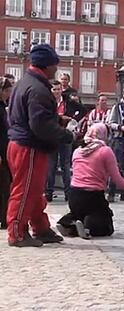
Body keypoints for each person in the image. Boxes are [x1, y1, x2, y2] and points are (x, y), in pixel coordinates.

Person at [7, 44, 74, 247]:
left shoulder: (24, 83)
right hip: (30, 147)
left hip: (19, 143)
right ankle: (16, 233)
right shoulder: (38, 89)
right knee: (25, 190)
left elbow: (28, 116)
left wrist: (56, 119)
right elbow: (40, 126)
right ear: (47, 65)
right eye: (54, 63)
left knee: (34, 190)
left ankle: (41, 228)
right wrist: (65, 135)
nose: (56, 67)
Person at [56, 123, 124, 239]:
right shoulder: (105, 151)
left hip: (74, 195)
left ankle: (67, 223)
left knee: (78, 213)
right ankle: (88, 228)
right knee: (105, 223)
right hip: (93, 195)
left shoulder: (78, 150)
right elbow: (117, 178)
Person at [45, 80, 74, 202]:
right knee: (50, 166)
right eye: (54, 89)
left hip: (64, 136)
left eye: (58, 89)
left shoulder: (67, 102)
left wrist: (72, 120)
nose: (57, 92)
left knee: (66, 166)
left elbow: (81, 111)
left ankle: (68, 193)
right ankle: (49, 193)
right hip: (51, 137)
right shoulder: (47, 102)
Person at [0, 77, 13, 229]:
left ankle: (4, 217)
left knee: (5, 185)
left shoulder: (4, 107)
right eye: (7, 91)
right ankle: (3, 218)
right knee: (3, 186)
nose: (9, 94)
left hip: (5, 151)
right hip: (1, 152)